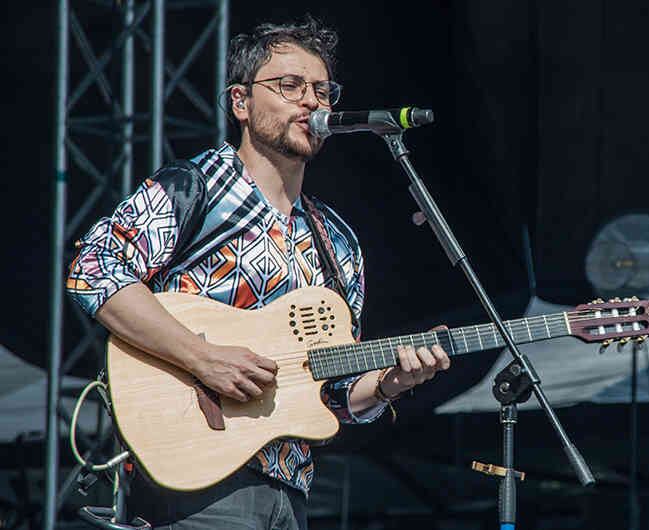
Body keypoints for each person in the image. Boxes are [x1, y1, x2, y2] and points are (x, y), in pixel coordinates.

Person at [65, 16, 449, 530]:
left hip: (289, 490)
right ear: (240, 103)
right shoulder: (197, 187)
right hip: (193, 478)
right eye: (290, 86)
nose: (311, 102)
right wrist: (203, 357)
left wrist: (391, 384)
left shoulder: (337, 242)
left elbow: (334, 395)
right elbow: (93, 269)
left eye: (321, 89)